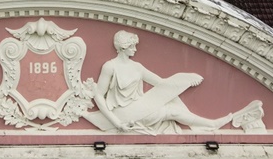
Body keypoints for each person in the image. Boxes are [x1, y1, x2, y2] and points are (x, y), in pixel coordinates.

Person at [88, 30, 233, 135]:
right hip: (124, 113)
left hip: (139, 107)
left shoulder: (137, 67)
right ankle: (211, 124)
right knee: (172, 111)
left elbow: (161, 83)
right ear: (123, 47)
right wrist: (117, 123)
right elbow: (99, 96)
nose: (135, 49)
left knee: (170, 100)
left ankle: (207, 124)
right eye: (132, 46)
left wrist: (185, 79)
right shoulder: (110, 66)